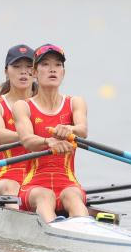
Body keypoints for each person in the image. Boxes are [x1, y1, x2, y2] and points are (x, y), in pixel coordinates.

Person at [13, 44, 89, 223]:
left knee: (73, 197)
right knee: (45, 196)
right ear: (34, 73)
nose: (52, 69)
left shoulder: (75, 102)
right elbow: (27, 140)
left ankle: (85, 229)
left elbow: (83, 130)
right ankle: (53, 229)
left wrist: (69, 129)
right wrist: (49, 142)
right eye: (45, 64)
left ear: (63, 72)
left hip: (69, 183)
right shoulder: (23, 106)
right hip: (34, 186)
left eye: (58, 65)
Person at [0, 44, 36, 206]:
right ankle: (18, 221)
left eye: (29, 67)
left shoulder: (47, 103)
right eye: (17, 66)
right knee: (11, 186)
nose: (23, 71)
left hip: (40, 175)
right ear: (6, 71)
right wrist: (31, 138)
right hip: (9, 176)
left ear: (35, 72)